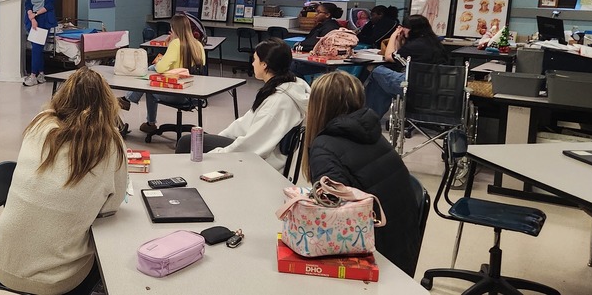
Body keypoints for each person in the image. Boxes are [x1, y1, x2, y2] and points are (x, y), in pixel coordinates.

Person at [0, 67, 127, 295]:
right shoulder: (109, 143)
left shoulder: (40, 123)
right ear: (107, 103)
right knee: (106, 256)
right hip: (57, 280)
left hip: (3, 264)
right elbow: (110, 208)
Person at [304, 71, 422, 276]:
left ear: (317, 107)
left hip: (377, 257)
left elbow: (334, 223)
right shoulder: (371, 132)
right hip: (402, 246)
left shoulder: (324, 147)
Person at [175, 39, 309, 172]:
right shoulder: (289, 86)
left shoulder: (277, 103)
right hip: (253, 148)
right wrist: (221, 137)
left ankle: (181, 183)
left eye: (255, 59)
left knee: (186, 143)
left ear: (264, 64)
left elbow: (251, 146)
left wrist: (215, 154)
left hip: (260, 160)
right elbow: (245, 123)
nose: (252, 63)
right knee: (191, 141)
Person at [118, 14, 205, 135]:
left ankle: (149, 122)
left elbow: (160, 68)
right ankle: (129, 101)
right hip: (194, 94)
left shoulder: (176, 44)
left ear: (175, 29)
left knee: (150, 82)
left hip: (177, 93)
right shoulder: (199, 45)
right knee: (151, 72)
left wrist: (169, 46)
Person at [365, 14, 448, 118]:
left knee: (377, 71)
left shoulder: (415, 45)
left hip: (413, 85)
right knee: (381, 83)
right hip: (435, 85)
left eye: (404, 27)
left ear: (412, 29)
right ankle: (371, 115)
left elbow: (388, 57)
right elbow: (401, 60)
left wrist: (393, 36)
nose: (402, 29)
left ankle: (369, 115)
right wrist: (399, 41)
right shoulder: (434, 43)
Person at [23, 0, 57, 86]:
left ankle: (33, 75)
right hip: (33, 19)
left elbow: (49, 5)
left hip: (43, 19)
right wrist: (31, 17)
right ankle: (41, 73)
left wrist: (35, 15)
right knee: (37, 48)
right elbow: (27, 4)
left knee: (36, 48)